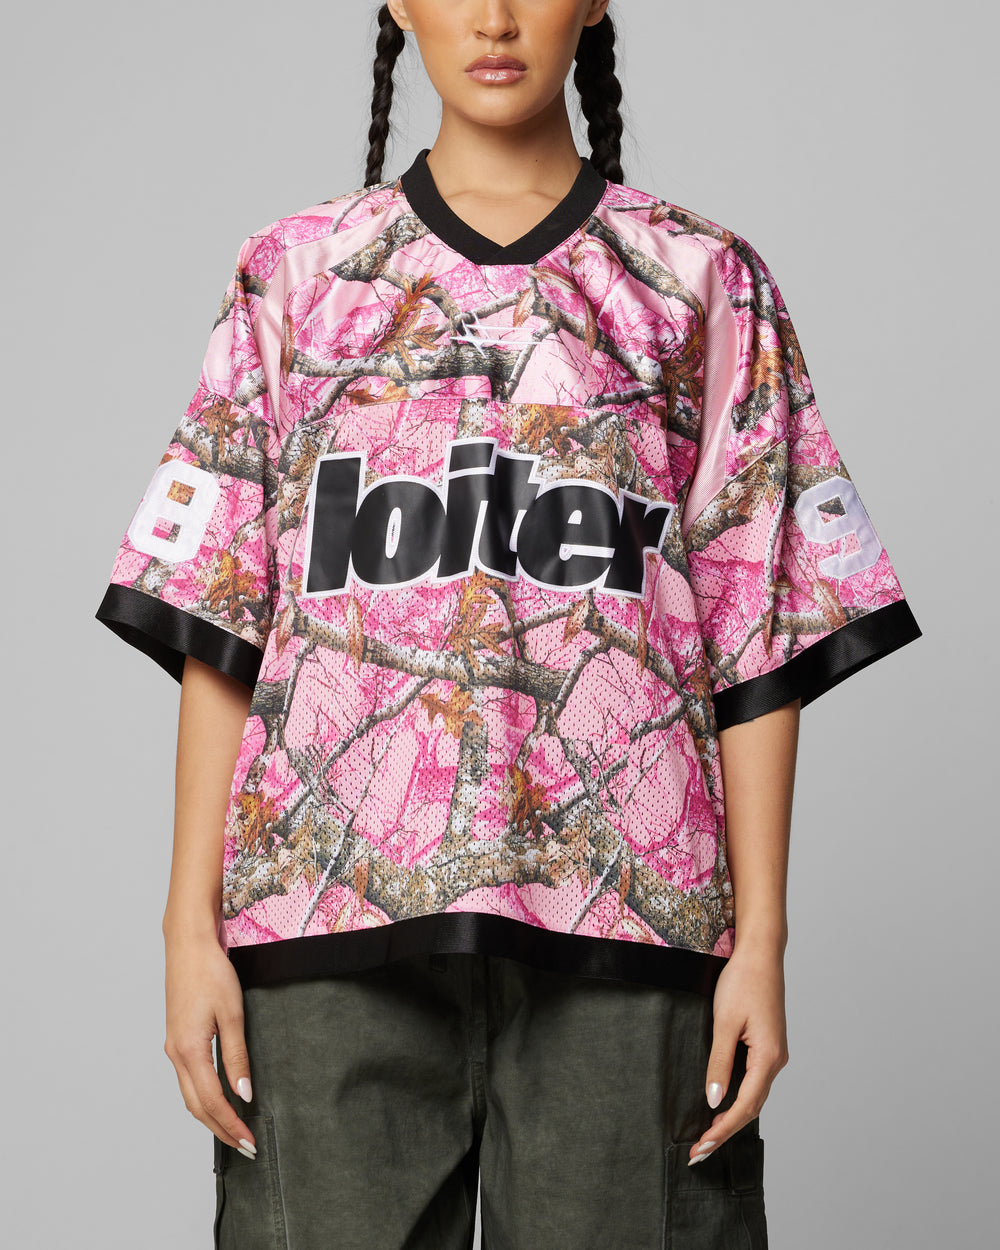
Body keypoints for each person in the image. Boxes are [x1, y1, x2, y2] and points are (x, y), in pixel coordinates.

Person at [94, 2, 922, 1246]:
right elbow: (221, 621)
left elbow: (761, 632)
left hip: (628, 928)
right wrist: (185, 928)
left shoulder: (699, 277)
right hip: (320, 926)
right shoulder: (298, 273)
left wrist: (761, 941)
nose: (493, 17)